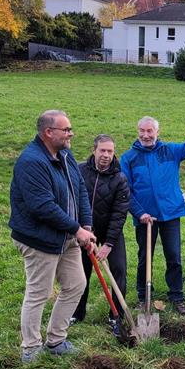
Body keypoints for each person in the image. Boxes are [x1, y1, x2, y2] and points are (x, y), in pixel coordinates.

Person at [10, 110, 97, 362]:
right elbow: (43, 207)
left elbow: (80, 189)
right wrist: (76, 229)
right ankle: (30, 348)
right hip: (39, 239)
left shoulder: (66, 155)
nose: (71, 134)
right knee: (39, 292)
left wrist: (87, 226)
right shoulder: (31, 162)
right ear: (49, 132)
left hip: (67, 235)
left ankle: (56, 340)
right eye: (66, 130)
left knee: (76, 284)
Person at [120, 109, 185, 315]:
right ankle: (142, 297)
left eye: (150, 131)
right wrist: (139, 213)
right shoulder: (129, 158)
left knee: (174, 256)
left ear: (157, 131)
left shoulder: (169, 151)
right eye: (142, 131)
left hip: (170, 214)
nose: (146, 135)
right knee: (144, 258)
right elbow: (125, 190)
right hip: (145, 217)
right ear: (137, 132)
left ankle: (177, 296)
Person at [73, 134, 130, 336]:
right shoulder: (79, 171)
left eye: (110, 151)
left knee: (119, 271)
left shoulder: (120, 178)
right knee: (81, 274)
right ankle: (77, 313)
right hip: (83, 232)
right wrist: (81, 230)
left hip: (109, 234)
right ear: (94, 150)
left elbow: (119, 213)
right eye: (102, 150)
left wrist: (109, 244)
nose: (106, 155)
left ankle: (116, 316)